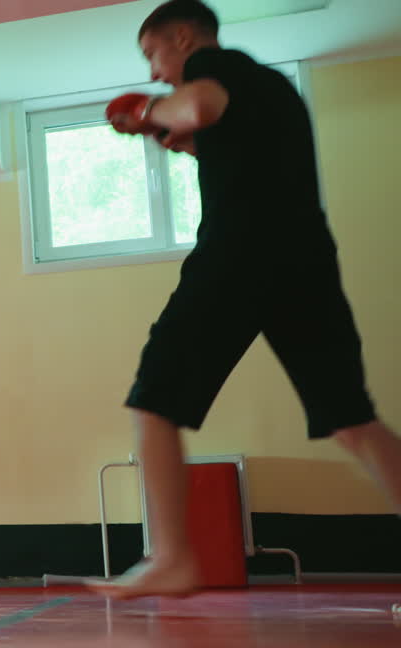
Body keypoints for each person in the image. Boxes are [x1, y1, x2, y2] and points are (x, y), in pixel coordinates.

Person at [90, 0, 401, 600]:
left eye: (153, 54)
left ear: (184, 38)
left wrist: (145, 110)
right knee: (354, 421)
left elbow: (198, 106)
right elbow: (226, 137)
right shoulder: (271, 87)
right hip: (305, 262)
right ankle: (172, 559)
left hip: (239, 252)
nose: (155, 71)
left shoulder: (215, 67)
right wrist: (172, 136)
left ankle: (172, 557)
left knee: (154, 399)